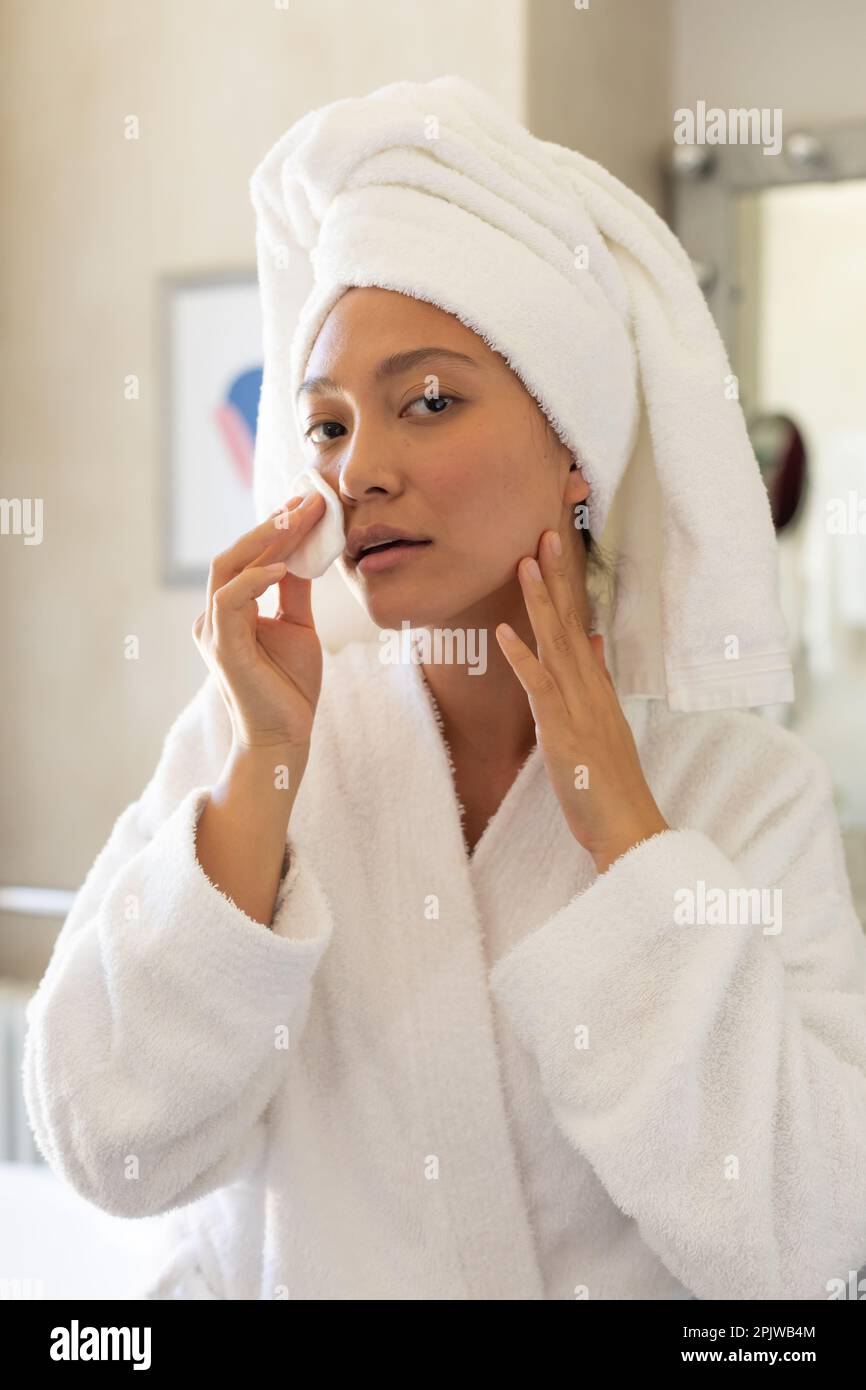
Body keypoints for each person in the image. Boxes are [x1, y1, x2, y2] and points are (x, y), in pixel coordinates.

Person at [23, 78, 866, 1301]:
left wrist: (626, 838)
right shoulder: (252, 737)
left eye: (426, 401)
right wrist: (262, 781)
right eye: (323, 425)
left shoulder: (739, 796)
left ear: (573, 449)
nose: (358, 465)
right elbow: (111, 1152)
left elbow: (808, 1248)